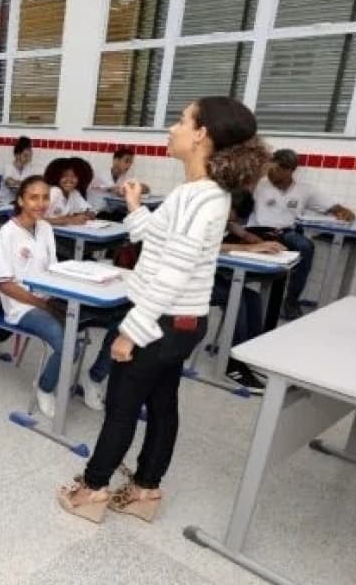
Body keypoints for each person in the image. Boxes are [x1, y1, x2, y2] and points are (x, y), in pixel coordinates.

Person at [59, 96, 269, 524]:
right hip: (177, 321)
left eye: (181, 120)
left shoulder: (203, 198)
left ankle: (93, 490)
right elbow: (156, 241)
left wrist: (131, 331)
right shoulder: (195, 194)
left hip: (163, 320)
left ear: (201, 134)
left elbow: (173, 273)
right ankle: (144, 491)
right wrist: (136, 206)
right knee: (161, 402)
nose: (172, 128)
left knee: (122, 404)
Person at [0, 175, 124, 417]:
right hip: (22, 306)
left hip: (51, 298)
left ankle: (94, 377)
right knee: (69, 346)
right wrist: (43, 304)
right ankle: (44, 387)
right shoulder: (7, 234)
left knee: (122, 320)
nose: (41, 203)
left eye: (45, 198)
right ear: (20, 200)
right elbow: (5, 286)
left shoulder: (45, 228)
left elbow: (53, 270)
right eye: (33, 198)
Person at [247, 148, 356, 320]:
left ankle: (290, 301)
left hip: (286, 232)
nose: (271, 172)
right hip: (260, 231)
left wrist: (343, 211)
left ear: (290, 170)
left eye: (276, 169)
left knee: (306, 247)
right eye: (270, 168)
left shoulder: (305, 190)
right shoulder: (259, 184)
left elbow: (334, 207)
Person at [212, 192, 286, 393]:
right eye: (231, 216)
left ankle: (248, 357)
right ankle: (232, 365)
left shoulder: (226, 217)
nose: (232, 221)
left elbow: (244, 234)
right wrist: (248, 249)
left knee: (251, 297)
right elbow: (207, 246)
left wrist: (261, 243)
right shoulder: (207, 214)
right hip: (188, 281)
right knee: (238, 298)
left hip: (207, 274)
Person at [89, 147, 149, 216]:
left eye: (131, 163)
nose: (129, 165)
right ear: (116, 160)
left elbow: (146, 189)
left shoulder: (124, 177)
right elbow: (119, 191)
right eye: (126, 161)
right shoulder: (100, 175)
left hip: (112, 212)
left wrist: (137, 187)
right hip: (96, 213)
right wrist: (134, 188)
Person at [43, 157, 95, 226]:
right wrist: (69, 219)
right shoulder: (54, 192)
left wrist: (86, 215)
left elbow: (90, 211)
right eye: (64, 176)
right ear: (57, 177)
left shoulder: (74, 193)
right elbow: (36, 219)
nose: (69, 180)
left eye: (74, 176)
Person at [0, 136, 34, 204]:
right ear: (17, 155)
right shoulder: (8, 167)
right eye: (25, 156)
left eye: (30, 156)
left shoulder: (29, 168)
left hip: (20, 201)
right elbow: (9, 182)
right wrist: (24, 183)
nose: (28, 159)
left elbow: (32, 183)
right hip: (7, 201)